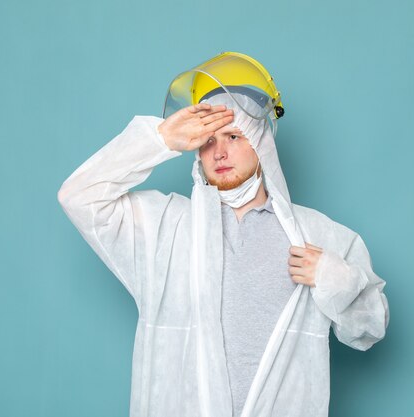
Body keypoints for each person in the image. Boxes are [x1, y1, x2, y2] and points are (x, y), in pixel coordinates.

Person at [58, 52, 389, 417]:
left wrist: (332, 278)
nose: (219, 152)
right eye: (207, 141)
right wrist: (160, 139)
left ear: (261, 143)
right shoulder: (165, 229)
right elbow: (78, 197)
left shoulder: (319, 235)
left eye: (234, 135)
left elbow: (369, 329)